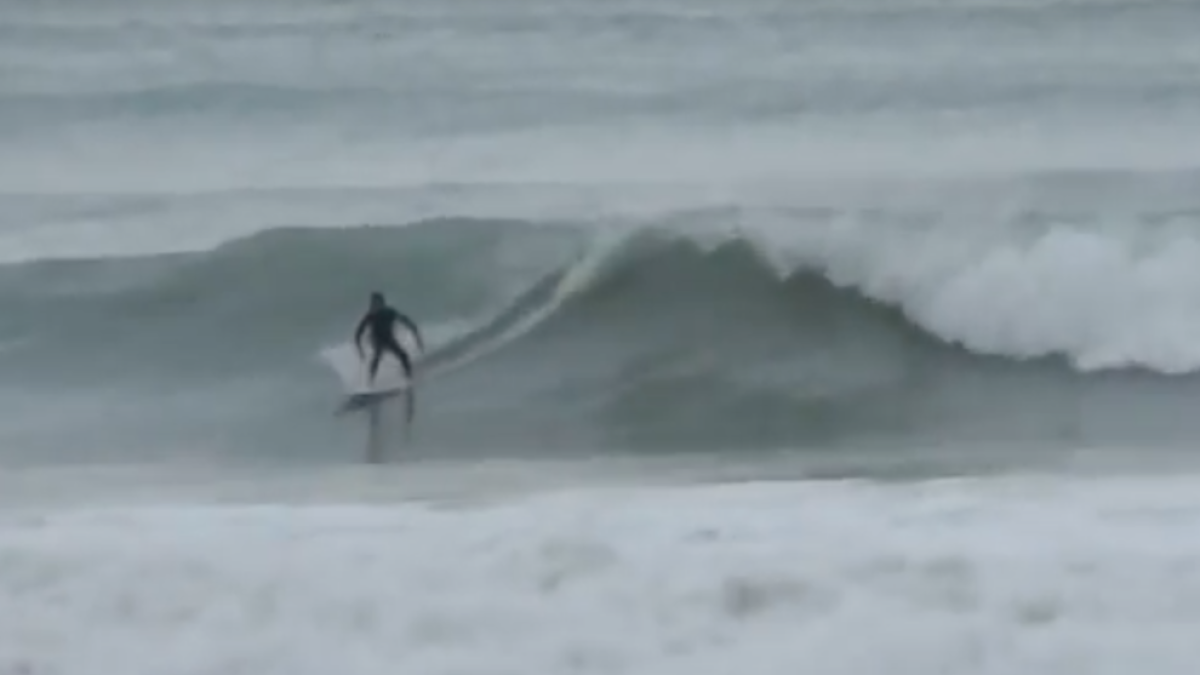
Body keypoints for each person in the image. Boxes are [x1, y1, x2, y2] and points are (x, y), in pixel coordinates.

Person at [354, 291, 424, 385]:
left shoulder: (389, 312)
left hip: (388, 337)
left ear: (382, 303)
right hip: (376, 339)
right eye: (373, 304)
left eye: (377, 304)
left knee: (403, 356)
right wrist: (360, 350)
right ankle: (370, 383)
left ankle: (409, 378)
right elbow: (358, 334)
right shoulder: (370, 316)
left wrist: (417, 337)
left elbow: (407, 322)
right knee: (377, 355)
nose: (374, 307)